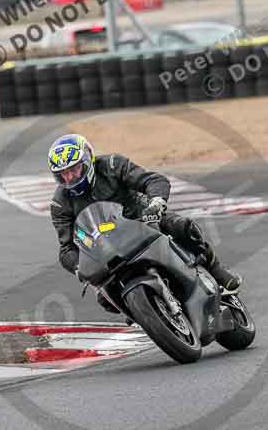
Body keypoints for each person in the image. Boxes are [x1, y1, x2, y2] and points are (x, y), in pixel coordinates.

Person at [48, 133, 242, 313]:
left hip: (142, 221)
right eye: (62, 174)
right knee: (104, 299)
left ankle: (216, 269)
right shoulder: (60, 203)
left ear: (87, 161)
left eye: (73, 169)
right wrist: (79, 267)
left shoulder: (112, 165)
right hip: (106, 249)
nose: (69, 177)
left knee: (182, 227)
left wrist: (156, 203)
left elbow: (152, 180)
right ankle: (142, 312)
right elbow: (66, 248)